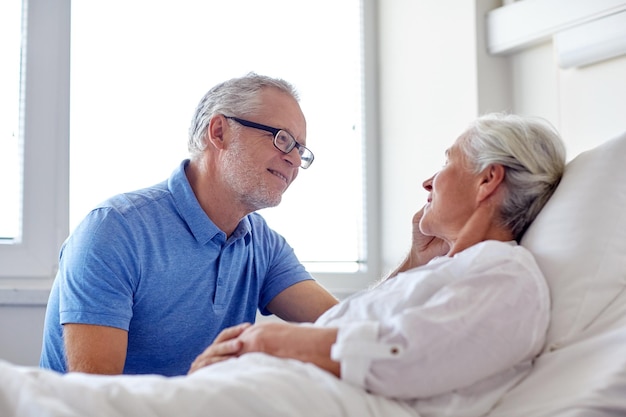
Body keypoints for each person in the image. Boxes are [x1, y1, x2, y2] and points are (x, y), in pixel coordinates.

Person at [187, 112, 567, 417]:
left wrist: (268, 341)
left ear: (487, 180)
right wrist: (417, 260)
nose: (428, 182)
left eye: (447, 161)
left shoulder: (506, 275)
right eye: (280, 138)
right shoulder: (448, 273)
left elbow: (409, 355)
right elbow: (354, 323)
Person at [39, 73, 339, 376]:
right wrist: (191, 386)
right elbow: (96, 397)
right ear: (219, 132)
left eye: (299, 150)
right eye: (282, 139)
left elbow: (344, 324)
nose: (292, 159)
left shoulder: (261, 243)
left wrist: (390, 289)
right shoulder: (114, 230)